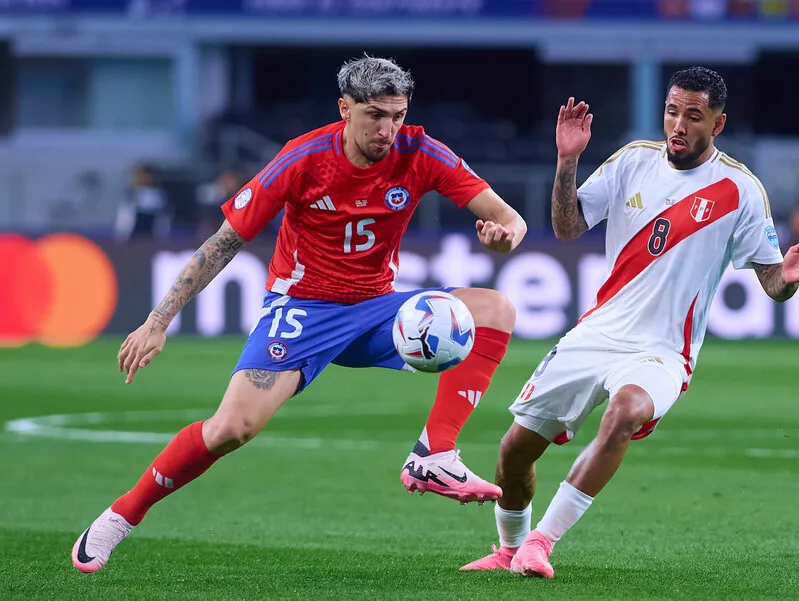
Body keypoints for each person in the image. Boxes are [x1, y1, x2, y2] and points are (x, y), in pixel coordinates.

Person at [72, 55, 527, 574]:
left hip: (379, 310)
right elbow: (223, 244)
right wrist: (158, 320)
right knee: (231, 429)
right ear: (345, 107)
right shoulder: (302, 159)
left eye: (398, 116)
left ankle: (434, 454)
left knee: (496, 308)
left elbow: (508, 219)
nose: (388, 129)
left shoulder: (420, 151)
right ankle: (120, 516)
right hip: (303, 310)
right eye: (375, 115)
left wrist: (503, 238)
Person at [460, 67, 799, 578]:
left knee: (625, 412)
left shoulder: (739, 189)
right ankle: (508, 550)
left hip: (662, 349)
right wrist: (567, 161)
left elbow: (772, 282)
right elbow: (567, 227)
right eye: (672, 111)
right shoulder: (632, 162)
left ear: (717, 124)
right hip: (597, 333)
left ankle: (541, 542)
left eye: (693, 116)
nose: (678, 124)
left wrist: (786, 277)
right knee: (514, 453)